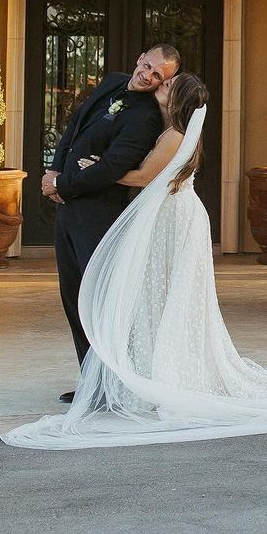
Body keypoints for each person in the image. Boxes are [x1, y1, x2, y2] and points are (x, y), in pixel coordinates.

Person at [3, 73, 267, 450]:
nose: (159, 85)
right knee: (156, 294)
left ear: (175, 99)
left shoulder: (174, 136)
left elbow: (146, 176)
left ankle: (155, 374)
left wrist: (91, 170)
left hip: (172, 217)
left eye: (167, 84)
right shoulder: (167, 130)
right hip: (165, 214)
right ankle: (133, 371)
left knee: (163, 293)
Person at [42, 45, 181, 382]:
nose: (147, 76)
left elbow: (113, 168)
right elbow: (73, 128)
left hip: (98, 216)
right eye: (147, 66)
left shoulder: (146, 117)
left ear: (165, 81)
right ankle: (90, 382)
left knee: (98, 302)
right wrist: (53, 173)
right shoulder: (111, 81)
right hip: (67, 209)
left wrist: (65, 185)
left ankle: (110, 384)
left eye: (157, 76)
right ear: (139, 58)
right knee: (73, 297)